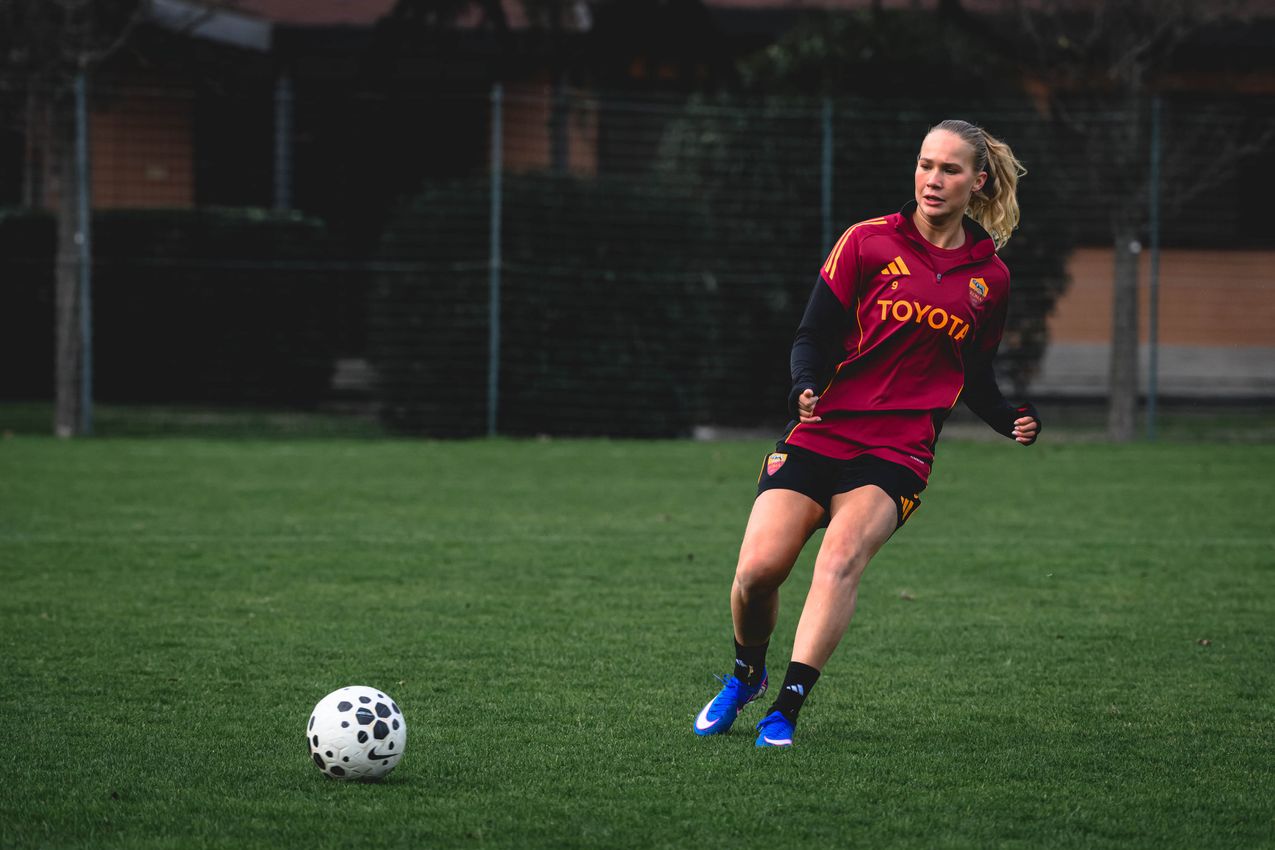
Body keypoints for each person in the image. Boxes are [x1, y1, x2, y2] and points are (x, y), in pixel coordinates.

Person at [692, 119, 1041, 748]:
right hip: (822, 430)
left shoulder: (991, 279)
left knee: (840, 559)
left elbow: (974, 373)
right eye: (925, 164)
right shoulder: (868, 241)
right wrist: (803, 384)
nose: (933, 180)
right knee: (758, 572)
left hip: (898, 451)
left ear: (978, 181)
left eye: (951, 169)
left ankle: (787, 708)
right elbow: (812, 335)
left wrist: (1009, 417)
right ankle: (746, 675)